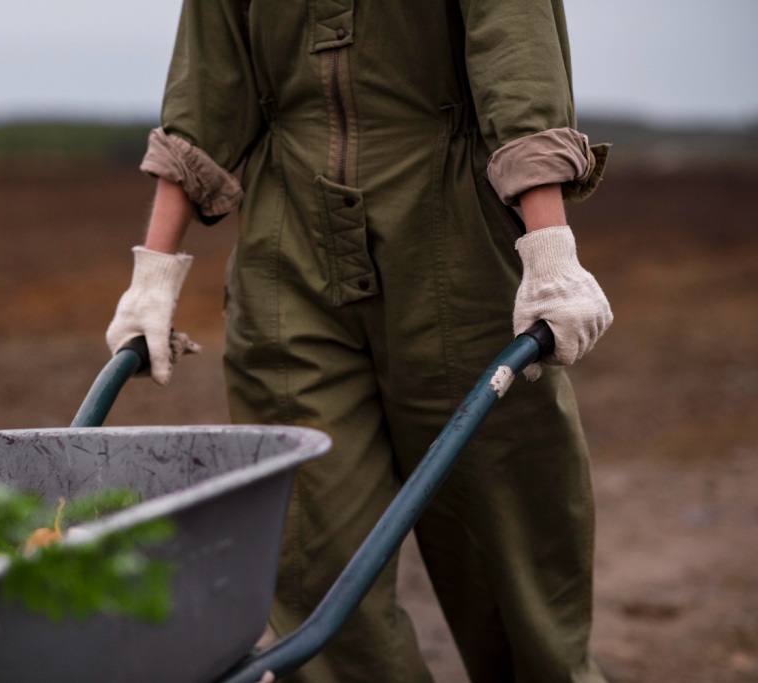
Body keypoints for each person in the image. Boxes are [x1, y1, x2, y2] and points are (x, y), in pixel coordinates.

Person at [106, 1, 612, 681]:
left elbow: (514, 52)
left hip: (455, 245)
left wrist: (549, 248)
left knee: (512, 555)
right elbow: (208, 82)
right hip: (287, 265)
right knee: (312, 560)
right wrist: (154, 274)